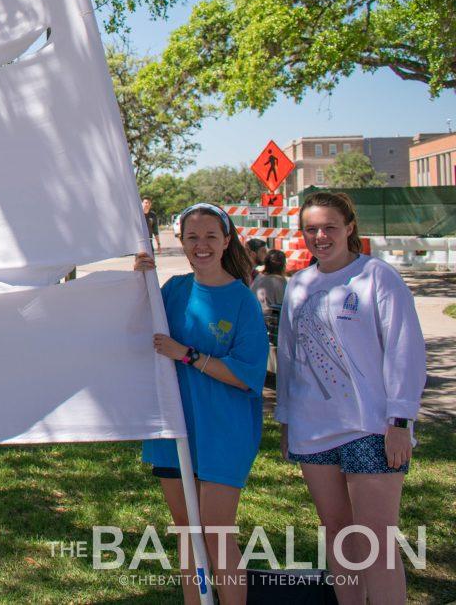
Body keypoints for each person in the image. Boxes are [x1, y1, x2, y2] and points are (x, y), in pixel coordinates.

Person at [275, 192, 425, 605]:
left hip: (371, 428)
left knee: (376, 543)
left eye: (329, 227)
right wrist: (287, 421)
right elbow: (288, 358)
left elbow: (404, 349)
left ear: (349, 228)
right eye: (311, 229)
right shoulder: (298, 285)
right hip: (313, 429)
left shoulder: (377, 276)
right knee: (339, 537)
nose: (320, 236)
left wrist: (400, 420)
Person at [136, 203, 268, 604]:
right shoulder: (174, 289)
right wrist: (140, 279)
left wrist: (188, 355)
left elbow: (248, 374)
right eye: (192, 237)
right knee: (186, 529)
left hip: (224, 431)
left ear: (226, 240)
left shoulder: (242, 300)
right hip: (174, 428)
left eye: (211, 236)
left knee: (216, 531)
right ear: (182, 242)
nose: (202, 245)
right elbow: (135, 325)